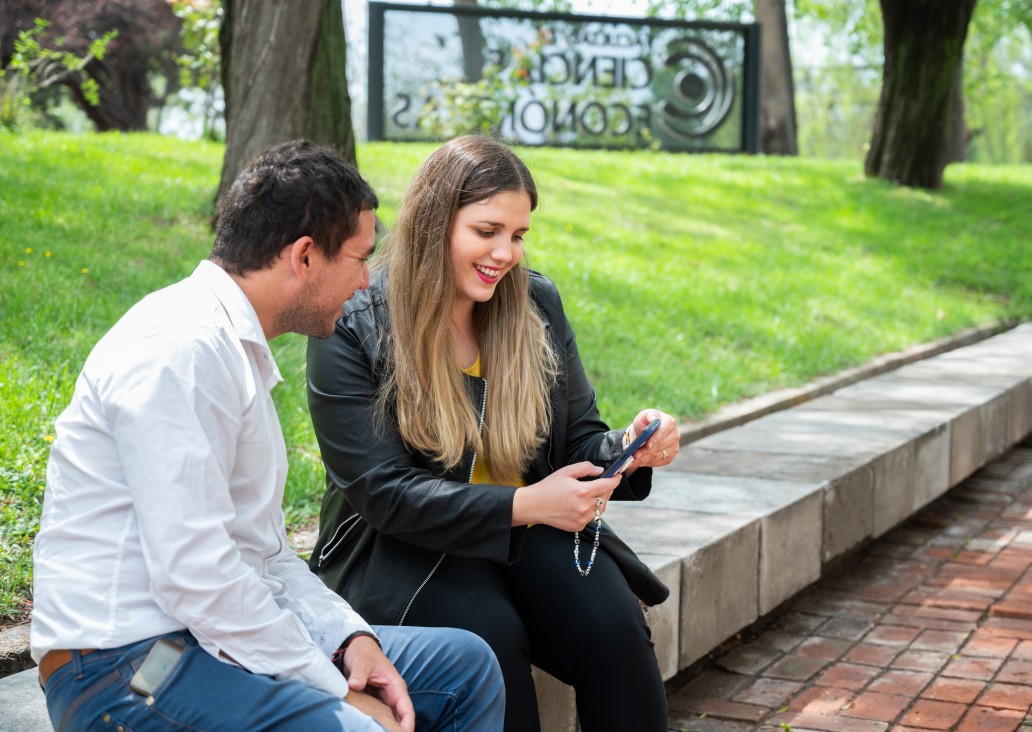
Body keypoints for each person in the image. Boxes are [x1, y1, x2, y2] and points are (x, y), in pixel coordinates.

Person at [30, 139, 506, 732]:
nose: (366, 284)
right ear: (304, 256)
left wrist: (348, 638)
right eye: (360, 259)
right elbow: (196, 576)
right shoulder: (180, 350)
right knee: (358, 728)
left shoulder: (235, 352)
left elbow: (266, 557)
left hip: (201, 640)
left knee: (465, 666)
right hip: (127, 668)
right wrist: (332, 687)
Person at [306, 134, 682, 731]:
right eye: (487, 232)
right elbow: (384, 493)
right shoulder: (355, 322)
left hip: (527, 530)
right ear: (435, 224)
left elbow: (578, 442)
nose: (505, 253)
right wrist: (531, 503)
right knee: (493, 641)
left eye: (519, 234)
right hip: (406, 548)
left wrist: (632, 447)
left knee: (612, 626)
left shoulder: (535, 304)